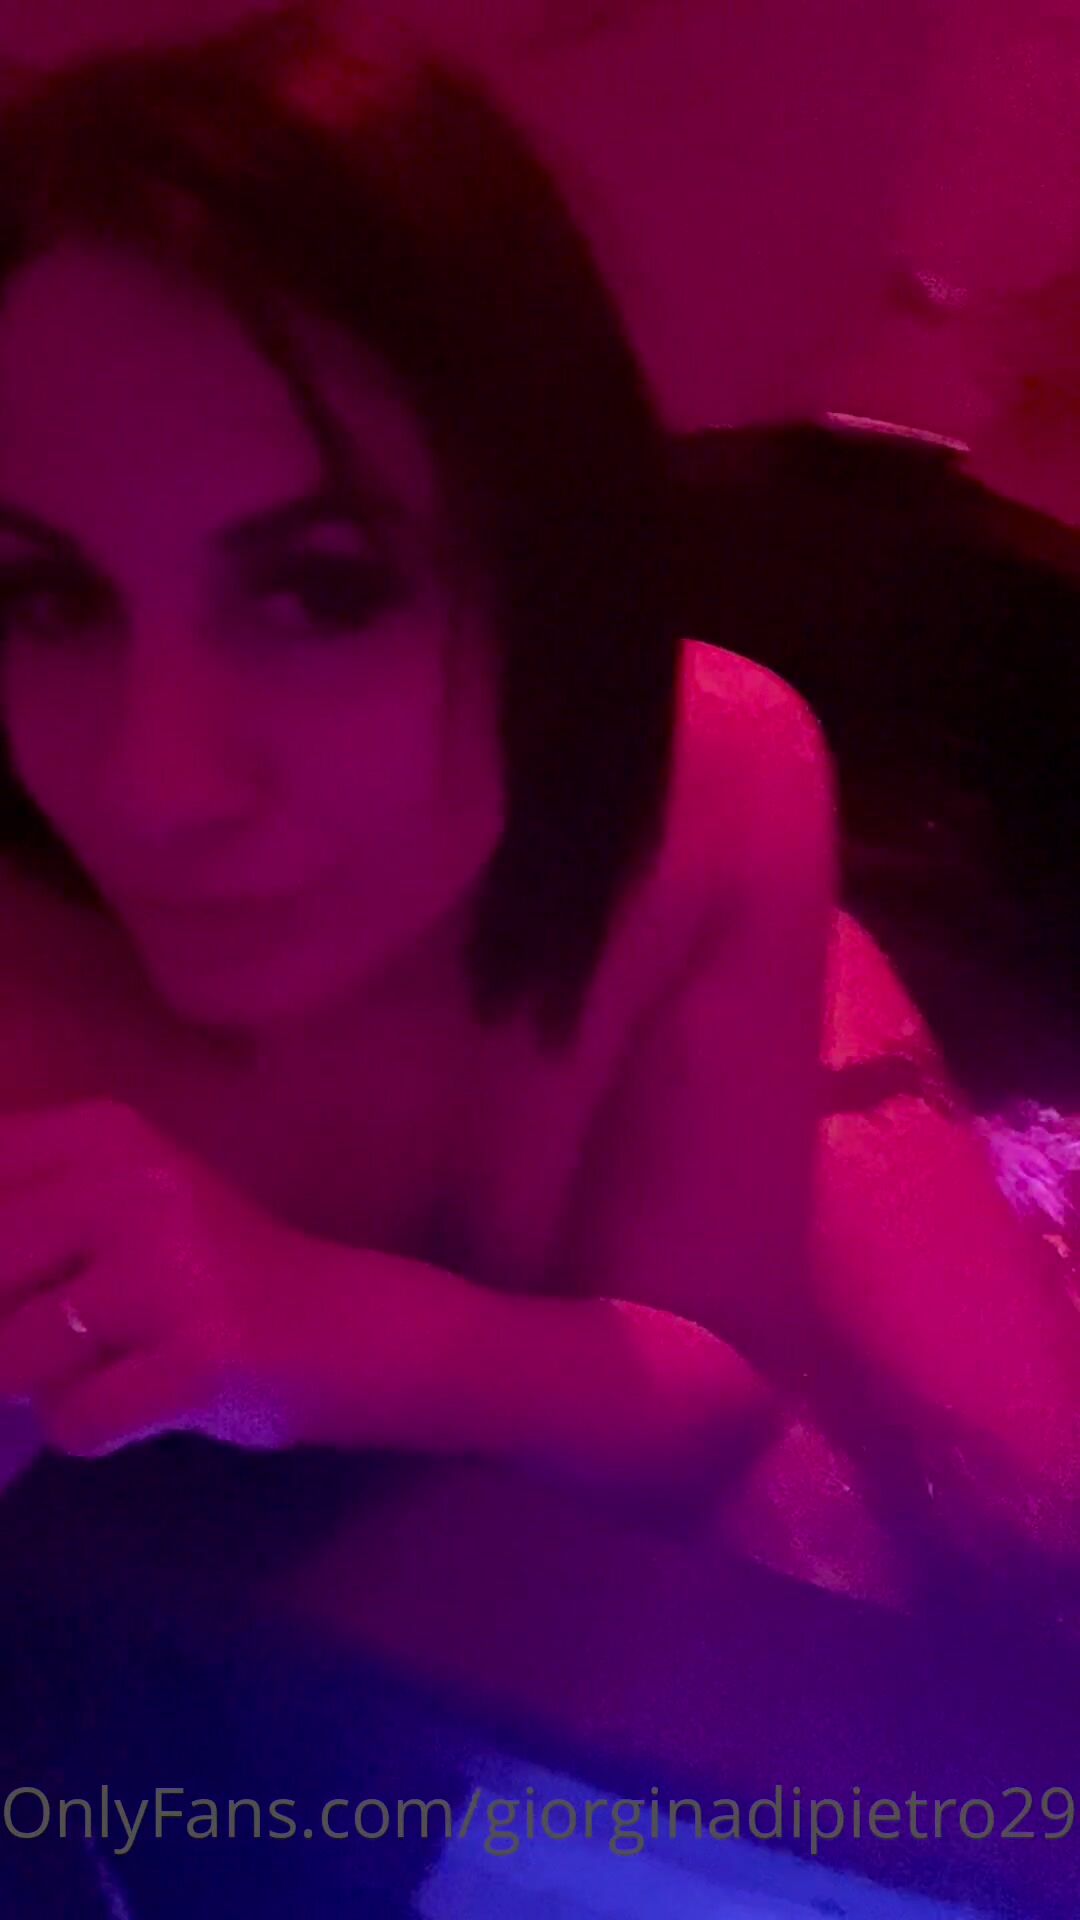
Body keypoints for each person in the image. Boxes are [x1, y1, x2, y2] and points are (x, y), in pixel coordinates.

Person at [0, 2, 1076, 1655]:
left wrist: (317, 1322)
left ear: (550, 555)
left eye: (320, 588)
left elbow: (712, 1389)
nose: (154, 785)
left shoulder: (713, 789)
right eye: (45, 595)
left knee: (1036, 1519)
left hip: (772, 992)